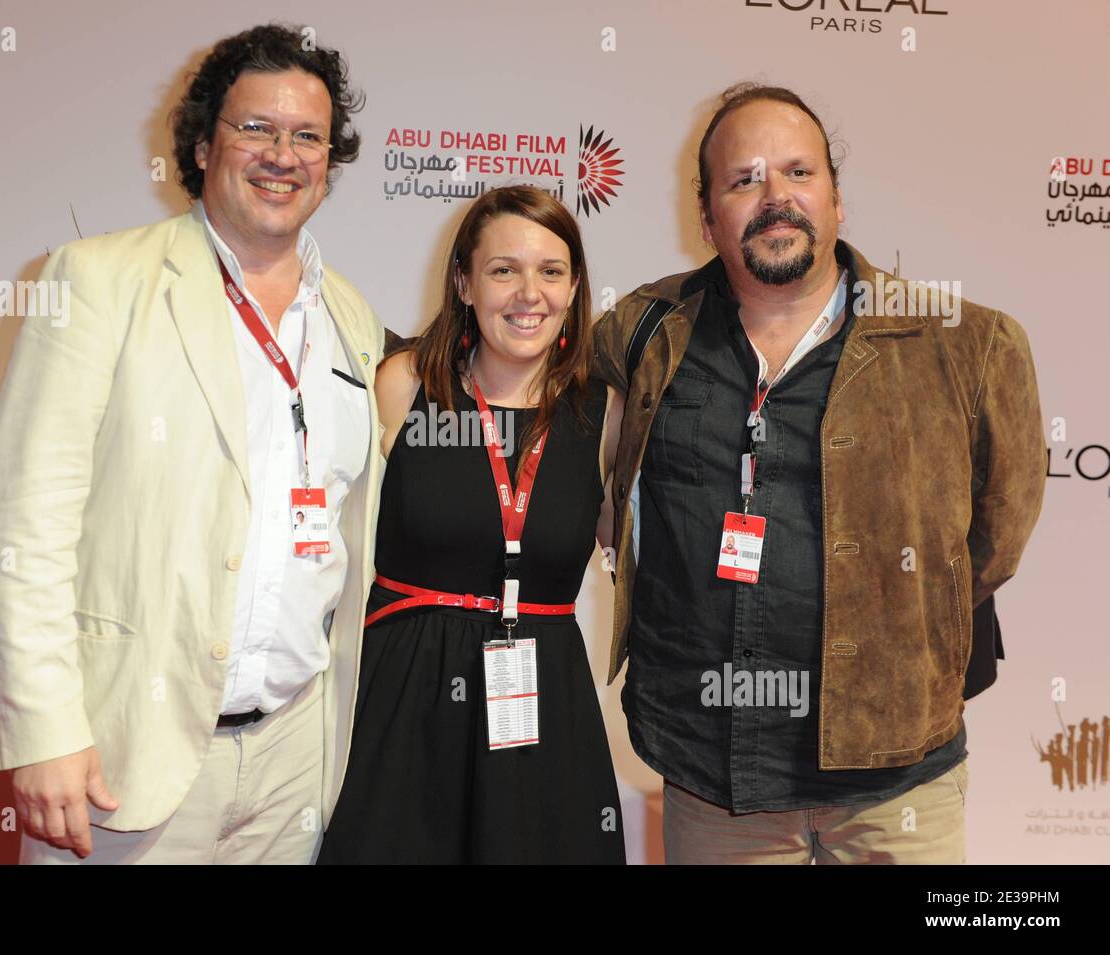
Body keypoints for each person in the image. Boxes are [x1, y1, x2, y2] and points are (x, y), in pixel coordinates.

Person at [593, 83, 1045, 864]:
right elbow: (513, 365)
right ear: (706, 218)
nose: (776, 199)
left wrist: (899, 629)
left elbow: (993, 544)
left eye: (799, 173)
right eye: (745, 180)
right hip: (712, 779)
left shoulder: (968, 346)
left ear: (837, 200)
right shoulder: (641, 333)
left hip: (899, 785)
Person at [0, 24, 391, 864]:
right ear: (202, 145)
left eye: (307, 136)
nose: (283, 154)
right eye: (255, 129)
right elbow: (23, 523)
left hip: (294, 756)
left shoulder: (351, 318)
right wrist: (44, 728)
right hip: (128, 750)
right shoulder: (97, 280)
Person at [318, 186, 626, 864]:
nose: (529, 292)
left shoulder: (604, 416)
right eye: (502, 269)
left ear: (575, 287)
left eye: (551, 271)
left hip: (542, 709)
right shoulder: (402, 386)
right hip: (404, 706)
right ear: (463, 281)